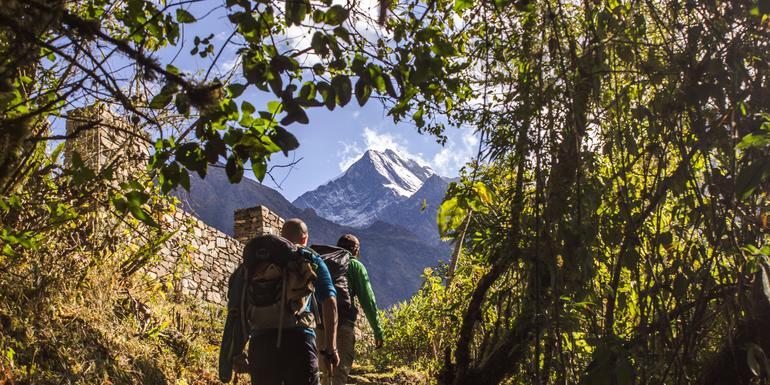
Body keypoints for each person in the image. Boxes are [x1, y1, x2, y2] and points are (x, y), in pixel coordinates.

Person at [219, 218, 339, 385]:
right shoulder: (307, 259)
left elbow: (236, 308)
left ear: (281, 235)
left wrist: (236, 352)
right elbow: (329, 300)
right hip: (299, 341)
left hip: (261, 344)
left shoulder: (253, 264)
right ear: (305, 238)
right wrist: (331, 348)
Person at [316, 234, 384, 385]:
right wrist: (377, 330)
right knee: (339, 375)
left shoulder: (324, 263)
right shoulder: (355, 266)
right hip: (343, 325)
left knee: (323, 376)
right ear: (355, 250)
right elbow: (368, 301)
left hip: (319, 325)